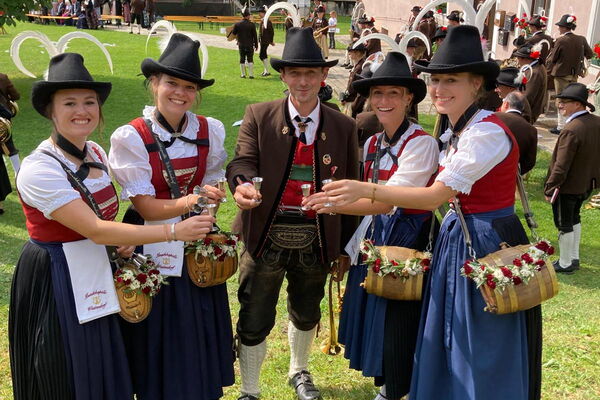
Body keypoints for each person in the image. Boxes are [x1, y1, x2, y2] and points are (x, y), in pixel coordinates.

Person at [306, 25, 542, 400]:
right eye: (436, 80)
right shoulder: (456, 131)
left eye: (452, 80)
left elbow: (435, 197)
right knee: (449, 329)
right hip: (458, 236)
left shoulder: (486, 133)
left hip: (485, 240)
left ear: (477, 84)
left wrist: (364, 188)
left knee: (480, 334)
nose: (440, 89)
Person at [9, 52, 216, 400]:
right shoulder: (38, 169)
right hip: (57, 275)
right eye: (69, 103)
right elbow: (95, 229)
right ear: (50, 111)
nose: (82, 111)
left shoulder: (95, 152)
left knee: (102, 362)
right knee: (67, 367)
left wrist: (123, 241)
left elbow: (105, 222)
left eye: (89, 102)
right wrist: (172, 231)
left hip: (95, 267)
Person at [226, 27, 358, 400]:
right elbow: (242, 160)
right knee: (254, 313)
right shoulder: (259, 115)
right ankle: (250, 389)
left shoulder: (344, 126)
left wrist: (344, 247)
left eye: (311, 73)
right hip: (265, 231)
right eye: (295, 73)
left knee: (307, 309)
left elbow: (352, 186)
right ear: (283, 76)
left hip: (317, 235)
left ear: (323, 75)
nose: (303, 81)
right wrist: (242, 184)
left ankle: (299, 371)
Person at [108, 33, 234, 399]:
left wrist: (210, 204)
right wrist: (192, 202)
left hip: (194, 238)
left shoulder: (209, 130)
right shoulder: (132, 136)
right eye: (171, 83)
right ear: (154, 83)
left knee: (195, 322)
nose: (180, 93)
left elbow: (213, 186)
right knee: (158, 325)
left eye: (189, 87)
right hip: (148, 239)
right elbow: (146, 206)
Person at [309, 51, 438, 400]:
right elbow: (371, 205)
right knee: (375, 311)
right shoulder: (372, 143)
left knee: (399, 315)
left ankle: (399, 386)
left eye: (394, 93)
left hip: (409, 238)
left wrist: (331, 203)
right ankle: (386, 384)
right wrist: (348, 243)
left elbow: (388, 200)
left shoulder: (422, 144)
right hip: (377, 234)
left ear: (408, 98)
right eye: (377, 93)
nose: (384, 100)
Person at [545, 83, 600, 273]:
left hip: (567, 186)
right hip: (587, 183)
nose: (560, 105)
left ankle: (565, 262)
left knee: (564, 223)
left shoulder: (572, 129)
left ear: (577, 104)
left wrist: (550, 187)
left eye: (564, 102)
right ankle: (573, 258)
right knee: (575, 218)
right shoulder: (596, 122)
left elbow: (561, 165)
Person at [546, 14, 594, 134]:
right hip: (574, 75)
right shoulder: (581, 39)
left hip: (561, 75)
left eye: (560, 26)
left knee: (561, 100)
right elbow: (589, 54)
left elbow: (553, 59)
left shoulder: (561, 40)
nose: (558, 28)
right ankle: (569, 123)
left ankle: (561, 126)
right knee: (571, 99)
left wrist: (547, 71)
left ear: (564, 27)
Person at [497, 91, 538, 174]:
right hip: (512, 174)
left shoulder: (494, 118)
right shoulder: (531, 130)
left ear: (506, 104)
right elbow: (530, 162)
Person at [0, 72, 21, 214]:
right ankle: (19, 175)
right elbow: (16, 95)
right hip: (3, 122)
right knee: (10, 148)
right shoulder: (2, 77)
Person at [514, 44, 547, 123]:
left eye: (518, 58)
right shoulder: (535, 67)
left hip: (527, 113)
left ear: (525, 59)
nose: (517, 61)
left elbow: (527, 96)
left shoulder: (534, 73)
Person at [340, 43, 368, 118]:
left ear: (358, 53)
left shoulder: (359, 67)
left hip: (354, 101)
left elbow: (355, 88)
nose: (349, 53)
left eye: (351, 51)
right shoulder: (358, 65)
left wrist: (346, 99)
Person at [231, 6, 258, 79]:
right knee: (250, 59)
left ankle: (243, 75)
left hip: (241, 45)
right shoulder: (252, 24)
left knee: (242, 59)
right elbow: (255, 36)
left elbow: (233, 33)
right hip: (250, 45)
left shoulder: (237, 24)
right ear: (248, 16)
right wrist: (256, 45)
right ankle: (251, 75)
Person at [258, 5, 274, 77]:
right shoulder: (263, 20)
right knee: (263, 55)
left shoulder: (268, 21)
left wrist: (271, 41)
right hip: (263, 41)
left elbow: (271, 32)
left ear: (264, 13)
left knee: (262, 55)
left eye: (260, 12)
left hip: (265, 41)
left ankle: (267, 71)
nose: (259, 14)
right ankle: (266, 70)